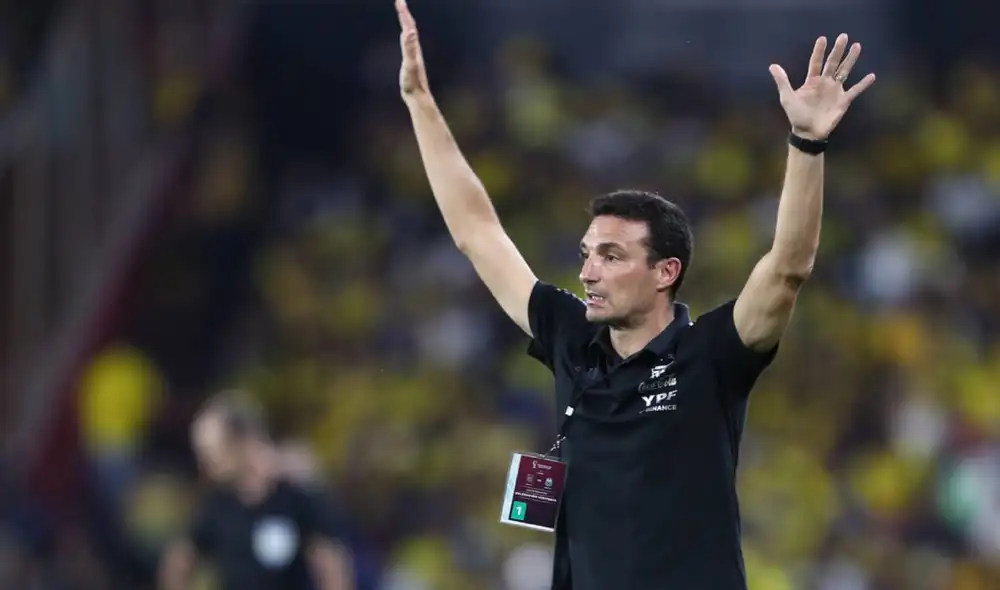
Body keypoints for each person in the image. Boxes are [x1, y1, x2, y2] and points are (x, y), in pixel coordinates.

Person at [394, 1, 876, 588]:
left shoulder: (711, 356)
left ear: (665, 271)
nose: (589, 272)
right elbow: (478, 233)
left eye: (612, 255)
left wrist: (806, 142)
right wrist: (421, 103)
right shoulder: (573, 339)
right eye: (587, 255)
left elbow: (787, 269)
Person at [158, 391, 354, 590]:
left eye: (213, 453)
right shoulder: (216, 503)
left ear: (243, 442)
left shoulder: (296, 495)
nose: (205, 464)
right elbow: (180, 561)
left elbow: (331, 565)